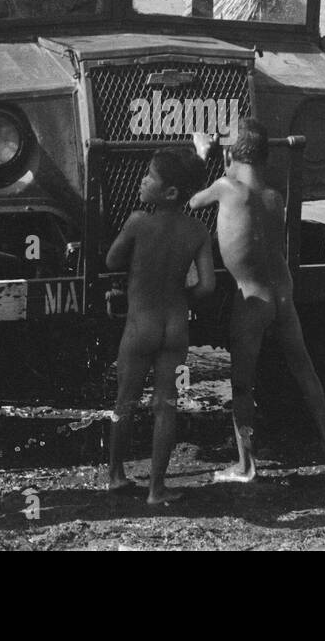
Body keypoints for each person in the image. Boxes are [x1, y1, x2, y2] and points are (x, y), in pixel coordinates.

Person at [190, 119, 325, 482]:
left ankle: (246, 465)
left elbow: (190, 200)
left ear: (231, 153)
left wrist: (203, 155)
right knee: (304, 370)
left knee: (242, 385)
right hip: (283, 294)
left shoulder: (225, 188)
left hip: (251, 299)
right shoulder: (274, 196)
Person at [105, 148, 215, 505]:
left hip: (140, 325)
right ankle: (156, 489)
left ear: (169, 192)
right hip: (175, 327)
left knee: (125, 401)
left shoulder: (138, 222)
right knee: (166, 404)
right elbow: (208, 286)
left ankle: (117, 475)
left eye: (149, 176)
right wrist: (184, 295)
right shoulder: (198, 230)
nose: (142, 180)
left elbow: (111, 259)